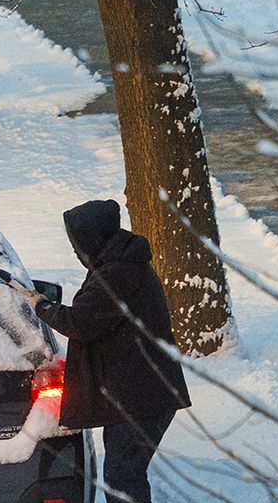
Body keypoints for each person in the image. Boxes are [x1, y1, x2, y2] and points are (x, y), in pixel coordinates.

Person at [33, 199, 193, 503]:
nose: (76, 251)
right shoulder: (117, 263)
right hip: (138, 393)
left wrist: (40, 305)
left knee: (124, 477)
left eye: (78, 243)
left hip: (142, 396)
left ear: (92, 238)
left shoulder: (118, 272)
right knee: (123, 474)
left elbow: (80, 322)